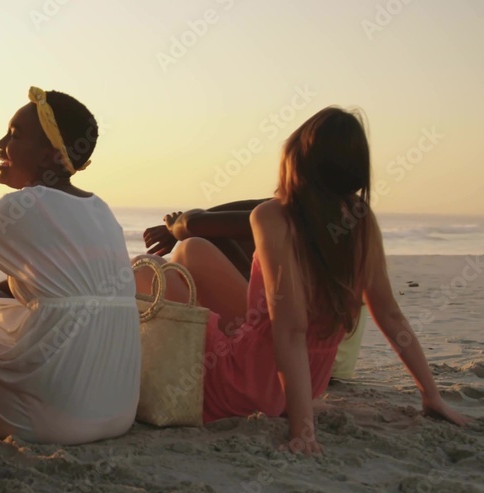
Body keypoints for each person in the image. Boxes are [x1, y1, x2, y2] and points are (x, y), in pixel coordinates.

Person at [144, 107, 467, 453]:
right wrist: (431, 396)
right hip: (306, 385)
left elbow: (290, 329)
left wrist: (303, 432)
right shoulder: (361, 221)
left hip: (245, 384)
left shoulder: (273, 217)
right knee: (192, 249)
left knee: (145, 269)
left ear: (295, 158)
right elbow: (391, 316)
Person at [0, 87, 140, 445]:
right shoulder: (100, 210)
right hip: (118, 414)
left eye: (15, 136)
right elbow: (63, 288)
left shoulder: (17, 206)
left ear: (50, 156)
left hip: (47, 423)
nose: (1, 142)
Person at [143, 199, 367, 379]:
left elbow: (195, 225)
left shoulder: (292, 216)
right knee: (231, 237)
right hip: (331, 364)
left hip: (295, 362)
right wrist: (182, 226)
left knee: (189, 249)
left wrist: (176, 227)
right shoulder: (348, 210)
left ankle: (175, 351)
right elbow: (219, 218)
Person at [143, 199, 266, 279]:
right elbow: (259, 208)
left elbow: (191, 223)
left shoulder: (275, 216)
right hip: (267, 303)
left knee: (193, 246)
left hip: (257, 307)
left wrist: (176, 226)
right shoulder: (276, 212)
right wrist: (176, 229)